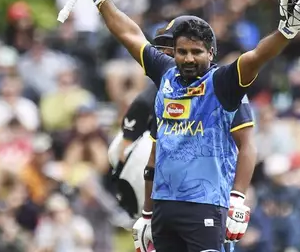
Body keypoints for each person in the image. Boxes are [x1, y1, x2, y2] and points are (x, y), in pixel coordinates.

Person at [70, 0, 300, 252]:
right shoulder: (165, 75)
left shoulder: (223, 84)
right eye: (182, 52)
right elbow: (130, 35)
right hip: (165, 208)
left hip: (205, 206)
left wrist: (286, 31)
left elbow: (257, 57)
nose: (188, 58)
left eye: (196, 52)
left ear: (211, 54)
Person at [108, 17, 255, 219]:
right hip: (166, 202)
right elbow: (133, 152)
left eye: (171, 46)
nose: (166, 53)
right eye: (167, 48)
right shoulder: (151, 95)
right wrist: (146, 211)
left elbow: (246, 145)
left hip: (211, 199)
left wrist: (237, 196)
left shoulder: (222, 88)